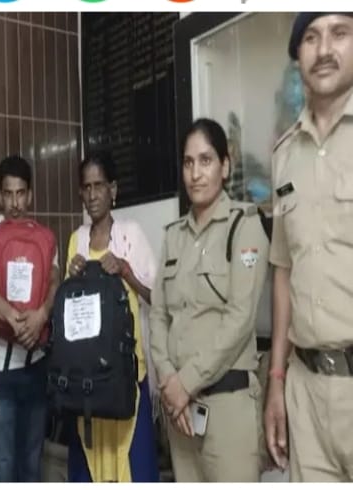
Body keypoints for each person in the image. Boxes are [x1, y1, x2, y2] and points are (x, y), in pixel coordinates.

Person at [149, 118, 269, 482]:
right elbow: (158, 315)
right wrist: (169, 381)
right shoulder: (173, 236)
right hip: (180, 414)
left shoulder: (244, 225)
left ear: (225, 166)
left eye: (206, 160)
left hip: (227, 408)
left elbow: (240, 319)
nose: (195, 173)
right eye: (188, 162)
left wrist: (185, 382)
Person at [265, 13, 353, 482]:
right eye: (312, 38)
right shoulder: (284, 155)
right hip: (305, 391)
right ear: (297, 56)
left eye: (340, 33)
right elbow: (284, 270)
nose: (324, 50)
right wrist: (277, 380)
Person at [65, 152, 159, 482]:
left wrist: (125, 270)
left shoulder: (131, 234)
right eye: (86, 187)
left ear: (113, 189)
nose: (92, 195)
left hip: (126, 378)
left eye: (99, 185)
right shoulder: (76, 240)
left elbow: (156, 297)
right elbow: (69, 315)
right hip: (87, 382)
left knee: (135, 467)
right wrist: (72, 278)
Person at [0, 155, 59, 482]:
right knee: (5, 461)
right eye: (8, 194)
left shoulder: (44, 237)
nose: (15, 203)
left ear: (30, 195)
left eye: (21, 193)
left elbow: (55, 279)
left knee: (32, 461)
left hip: (37, 364)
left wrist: (41, 315)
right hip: (1, 367)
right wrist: (14, 318)